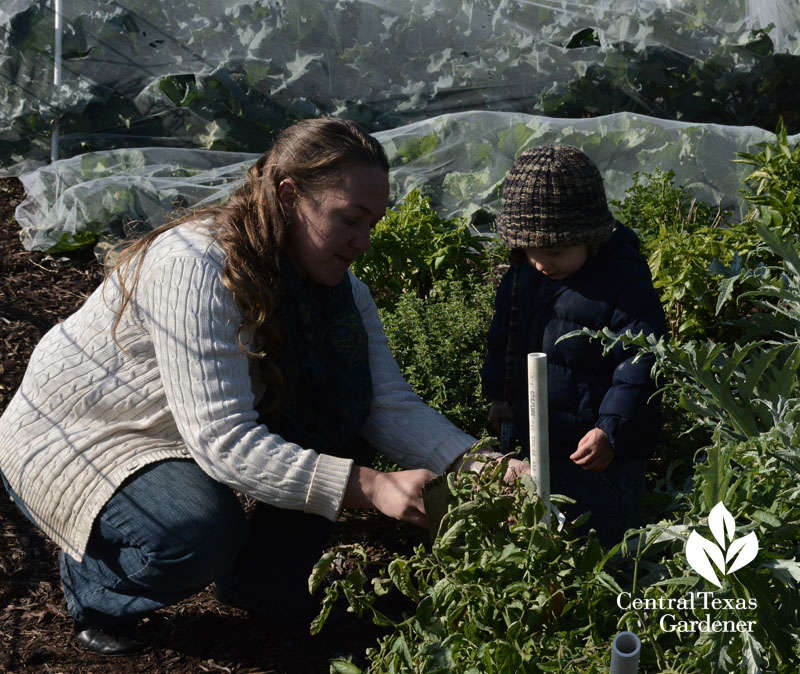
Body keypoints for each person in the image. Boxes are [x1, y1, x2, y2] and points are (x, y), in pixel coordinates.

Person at [0, 118, 528, 656]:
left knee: (340, 414)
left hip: (177, 431)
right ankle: (94, 584)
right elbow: (222, 440)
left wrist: (479, 468)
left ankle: (261, 585)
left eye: (372, 224)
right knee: (196, 532)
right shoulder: (197, 267)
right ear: (289, 195)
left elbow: (384, 404)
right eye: (350, 220)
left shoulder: (337, 291)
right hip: (82, 435)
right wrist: (370, 487)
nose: (363, 243)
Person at [481, 144, 667, 548]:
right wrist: (500, 394)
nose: (542, 262)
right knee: (544, 537)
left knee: (603, 546)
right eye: (532, 249)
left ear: (591, 238)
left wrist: (610, 429)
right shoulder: (524, 273)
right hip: (538, 438)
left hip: (601, 454)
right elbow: (504, 338)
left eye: (555, 251)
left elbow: (641, 360)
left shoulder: (622, 281)